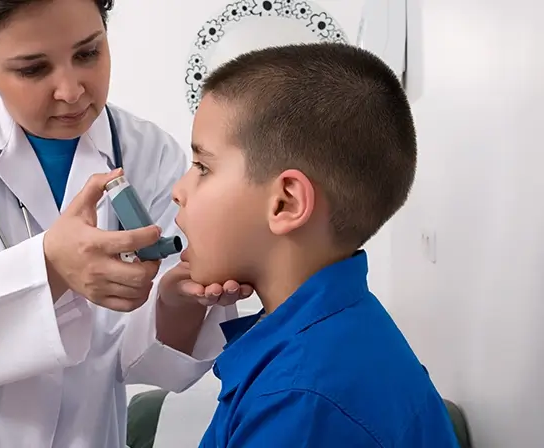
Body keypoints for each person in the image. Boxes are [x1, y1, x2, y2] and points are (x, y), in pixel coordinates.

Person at [0, 0, 248, 446]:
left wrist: (176, 302)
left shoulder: (146, 151)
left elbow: (148, 362)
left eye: (88, 54)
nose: (71, 91)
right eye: (34, 69)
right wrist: (50, 267)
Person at [171, 43, 460, 447]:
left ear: (285, 202)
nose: (178, 191)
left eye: (202, 167)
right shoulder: (336, 335)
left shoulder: (302, 402)